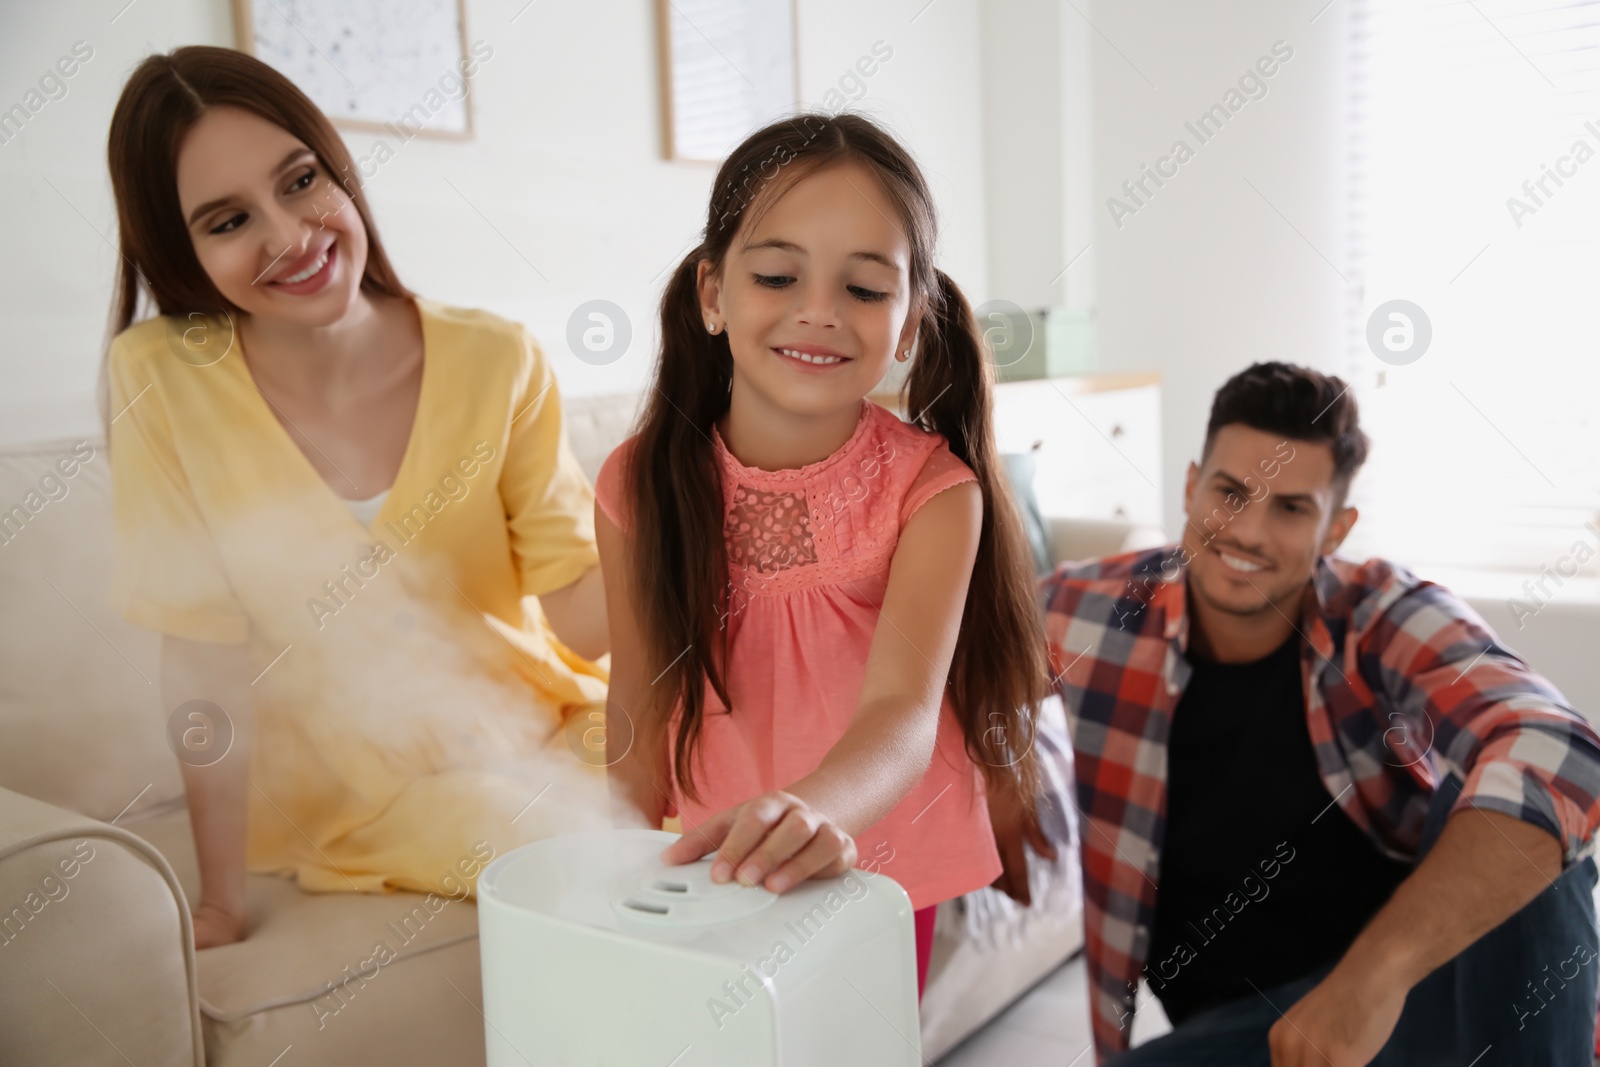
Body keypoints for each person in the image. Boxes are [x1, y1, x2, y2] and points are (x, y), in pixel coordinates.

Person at [103, 47, 611, 949]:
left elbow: (579, 612)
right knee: (566, 846)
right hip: (354, 790)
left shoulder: (500, 359)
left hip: (548, 724)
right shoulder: (162, 379)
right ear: (180, 252)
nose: (292, 235)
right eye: (228, 221)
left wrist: (695, 522)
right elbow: (201, 661)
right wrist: (219, 897)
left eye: (301, 180)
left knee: (724, 788)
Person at [593, 111, 1059, 1001]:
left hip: (877, 863)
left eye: (865, 289)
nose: (819, 312)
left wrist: (814, 812)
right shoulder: (637, 481)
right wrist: (611, 861)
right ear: (712, 293)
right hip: (712, 859)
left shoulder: (934, 490)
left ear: (912, 318)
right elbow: (639, 702)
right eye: (776, 274)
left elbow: (901, 714)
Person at [1042, 361, 1600, 1065]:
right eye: (1230, 492)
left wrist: (1373, 979)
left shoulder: (1379, 613)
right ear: (1190, 486)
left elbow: (1562, 748)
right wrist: (994, 769)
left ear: (1337, 527)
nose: (1247, 532)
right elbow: (953, 667)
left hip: (1415, 1001)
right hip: (1256, 1034)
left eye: (1291, 507)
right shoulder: (1094, 607)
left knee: (1517, 803)